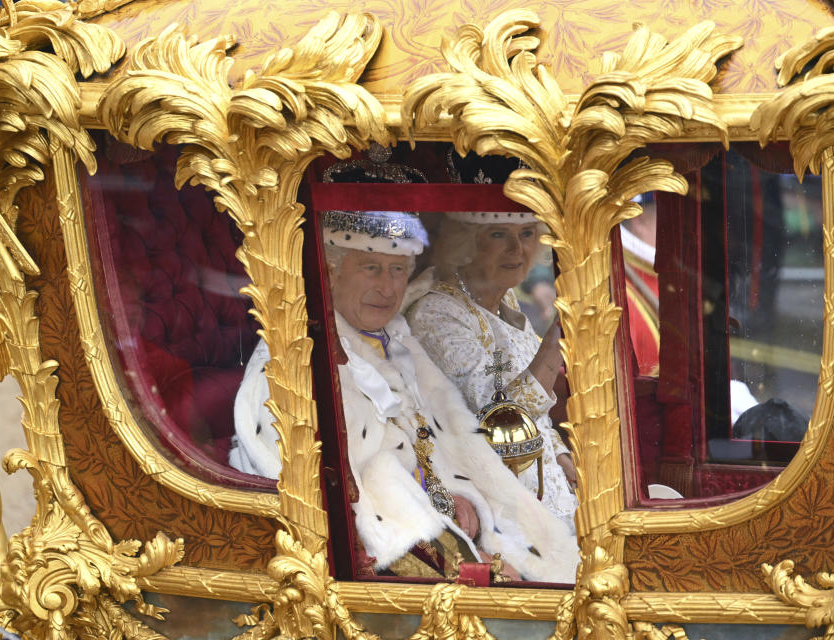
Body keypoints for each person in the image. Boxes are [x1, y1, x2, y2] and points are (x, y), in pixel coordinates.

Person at [229, 209, 578, 583]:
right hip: (385, 547)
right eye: (371, 268)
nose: (388, 288)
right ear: (331, 272)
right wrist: (473, 555)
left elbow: (442, 448)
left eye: (398, 271)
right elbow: (354, 500)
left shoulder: (397, 341)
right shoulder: (297, 358)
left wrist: (464, 497)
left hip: (448, 523)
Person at [406, 210, 579, 527]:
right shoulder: (437, 313)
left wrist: (562, 456)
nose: (517, 249)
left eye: (526, 234)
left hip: (547, 494)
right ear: (466, 242)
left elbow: (536, 413)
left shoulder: (505, 300)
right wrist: (558, 337)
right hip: (498, 511)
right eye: (499, 234)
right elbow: (503, 417)